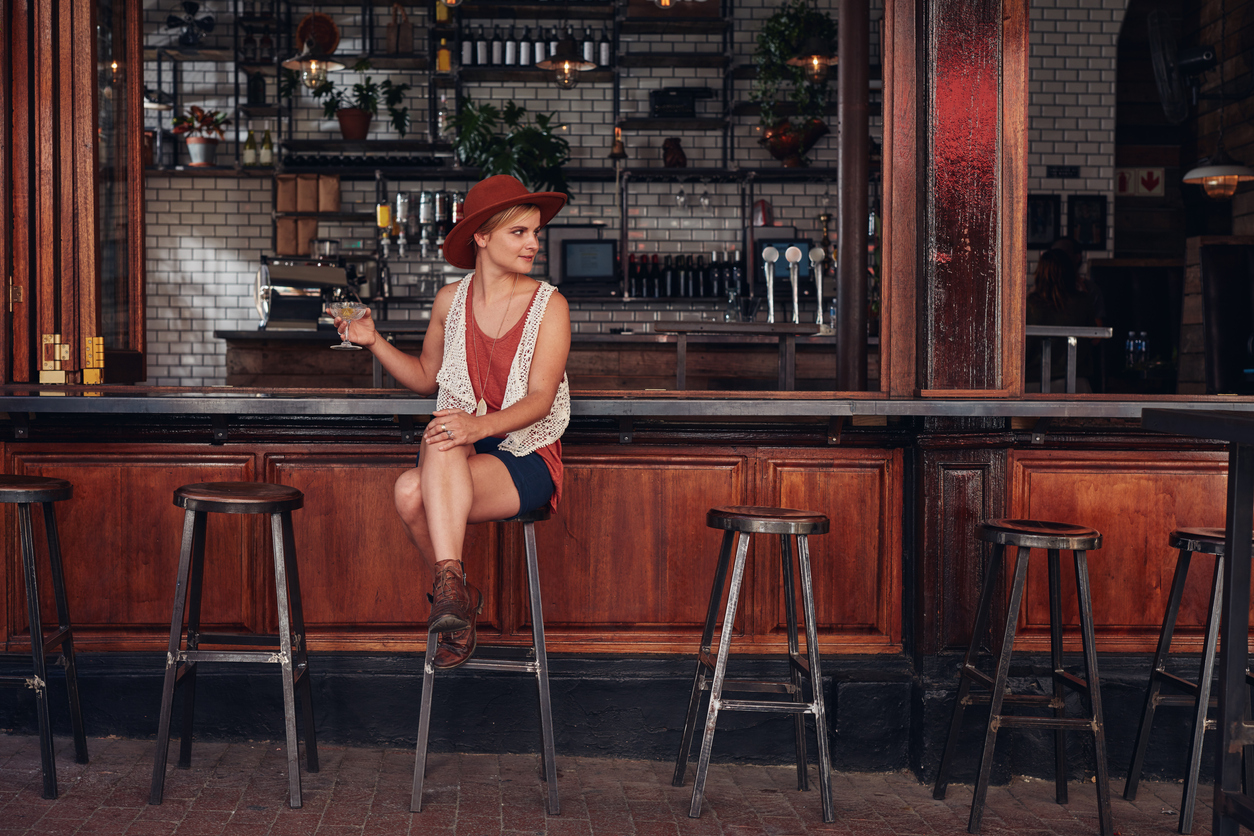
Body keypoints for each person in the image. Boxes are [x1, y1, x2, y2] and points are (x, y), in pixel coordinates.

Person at [332, 175, 571, 669]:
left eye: (535, 232)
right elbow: (425, 377)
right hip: (465, 453)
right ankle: (456, 596)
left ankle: (454, 598)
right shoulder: (449, 301)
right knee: (411, 482)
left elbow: (542, 400)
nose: (533, 242)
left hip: (524, 455)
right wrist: (374, 341)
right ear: (481, 236)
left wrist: (476, 428)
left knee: (427, 460)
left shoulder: (550, 306)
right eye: (519, 233)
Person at [1026, 247, 1099, 392]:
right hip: (1075, 382)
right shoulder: (1082, 301)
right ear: (1070, 273)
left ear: (1040, 273)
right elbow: (1095, 338)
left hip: (1033, 382)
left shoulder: (1029, 304)